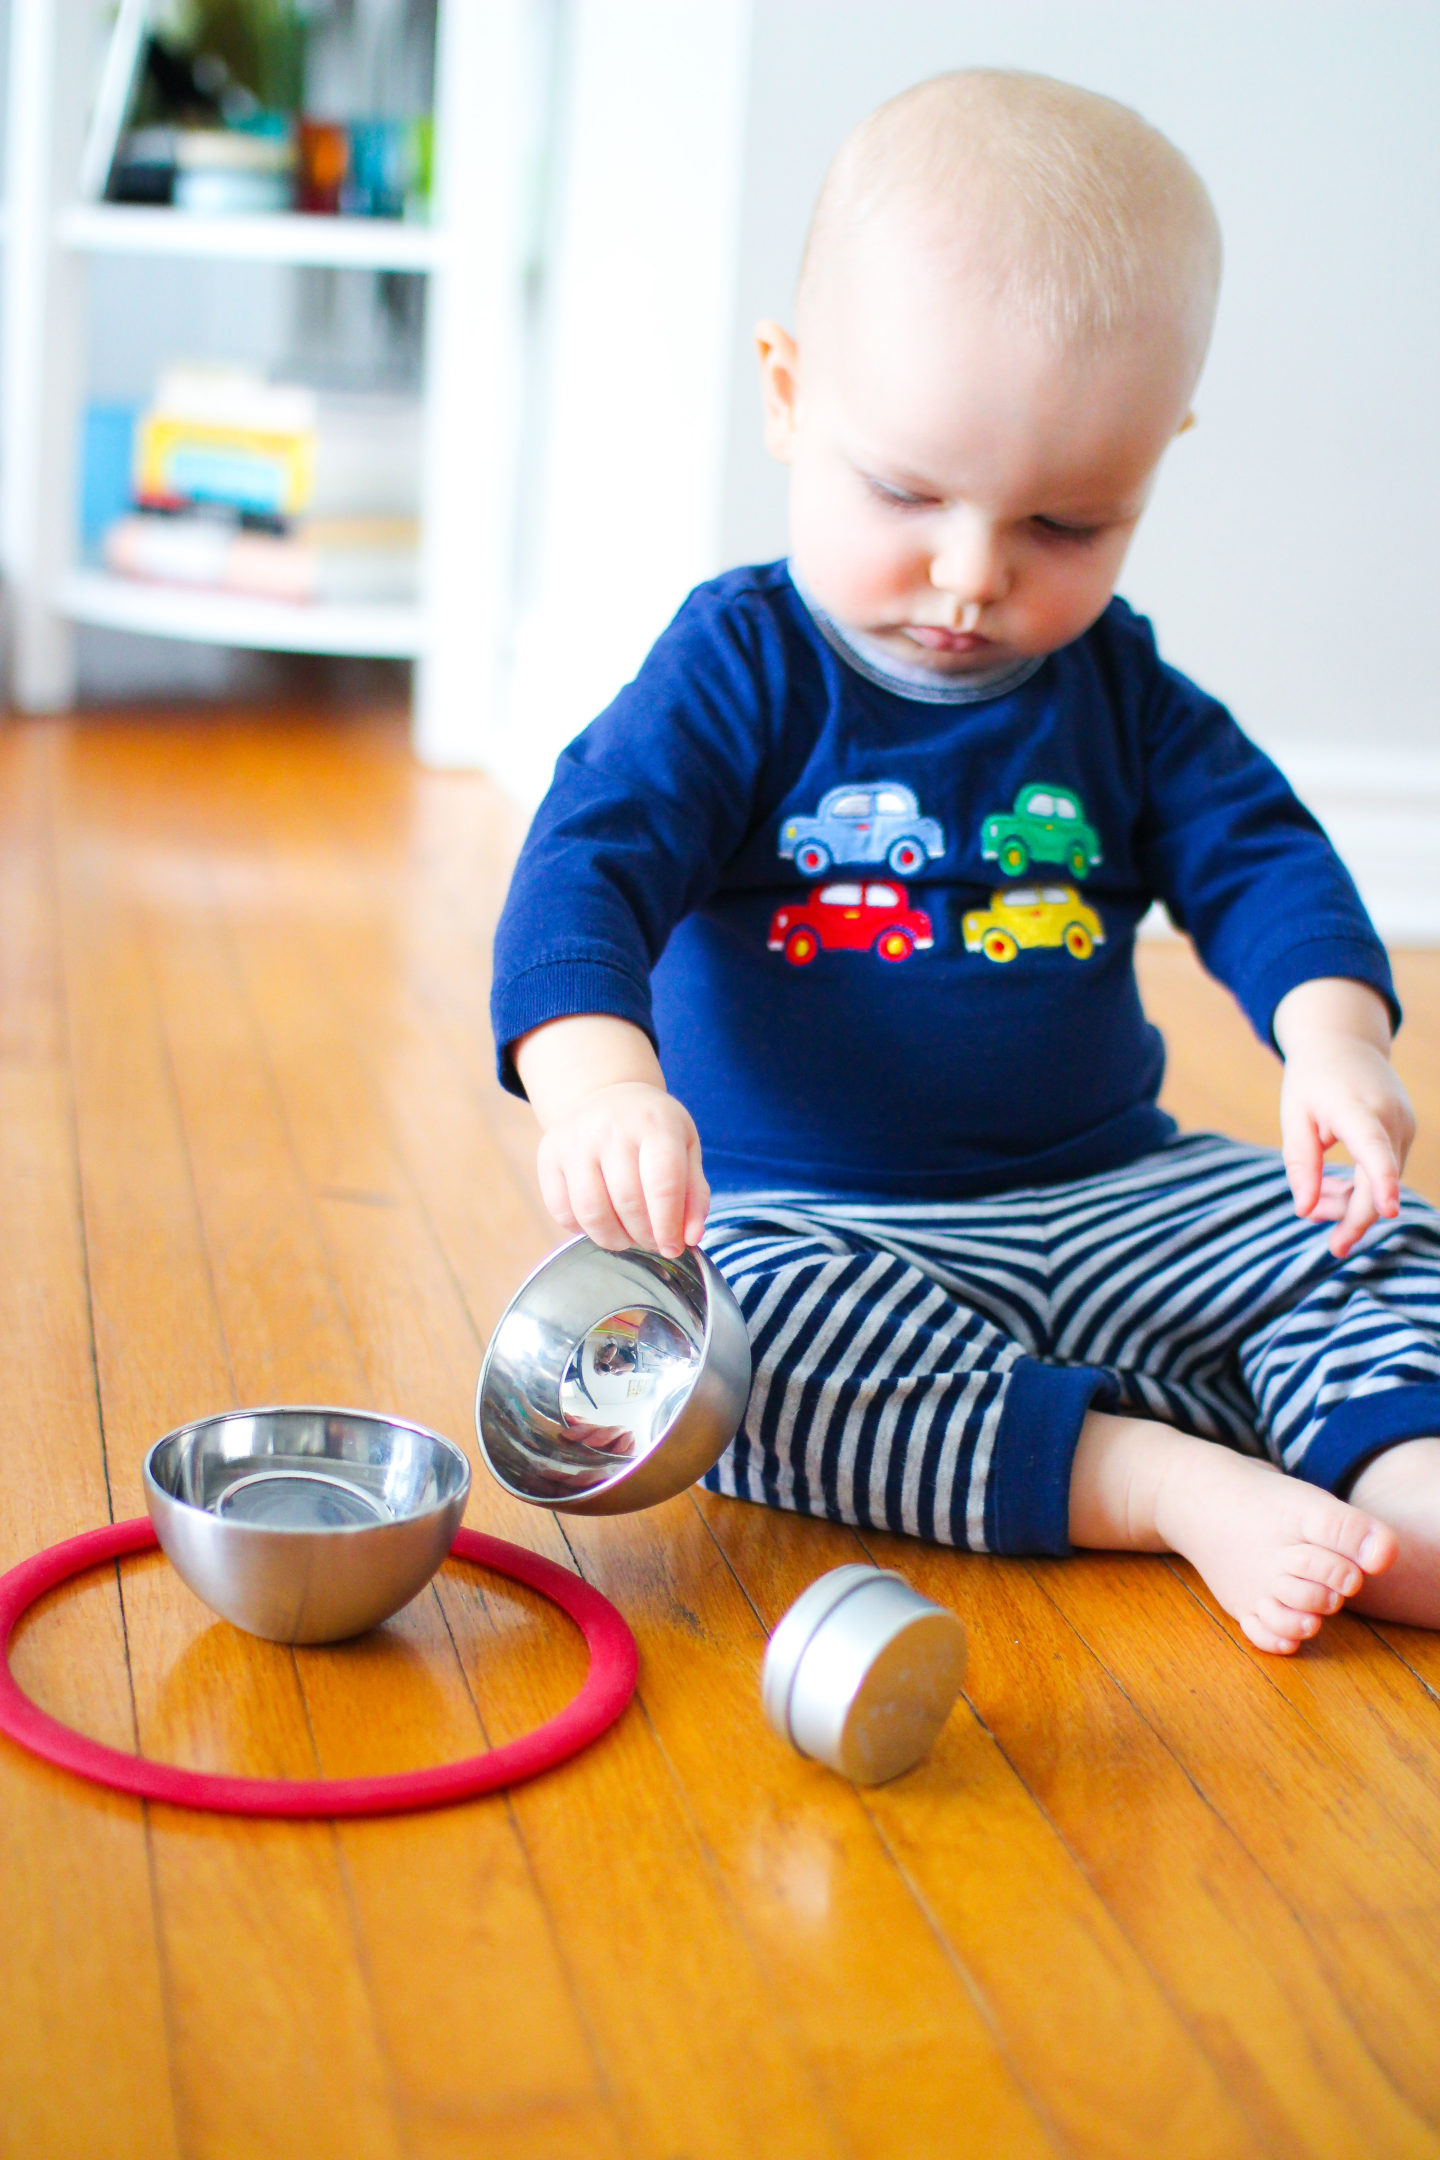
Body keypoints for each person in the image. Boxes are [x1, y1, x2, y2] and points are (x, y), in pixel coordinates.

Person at [490, 69, 1440, 1654]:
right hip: (821, 1225)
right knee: (742, 1354)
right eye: (907, 491)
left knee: (1373, 1236)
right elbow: (583, 872)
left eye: (1068, 524)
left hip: (1119, 1192)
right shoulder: (739, 668)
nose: (972, 574)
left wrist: (1336, 1043)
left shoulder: (1117, 691)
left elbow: (1267, 861)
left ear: (1152, 466)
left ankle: (1395, 1471)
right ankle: (1157, 1481)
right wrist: (600, 1087)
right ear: (789, 395)